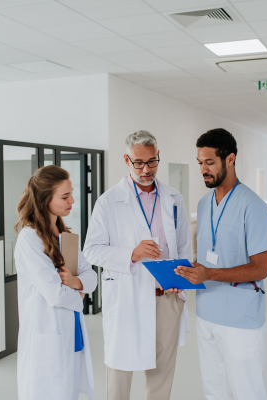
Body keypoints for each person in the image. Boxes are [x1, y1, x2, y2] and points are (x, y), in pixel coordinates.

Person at [83, 130, 192, 400]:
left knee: (162, 376)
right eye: (138, 163)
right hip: (127, 298)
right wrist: (130, 254)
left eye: (152, 162)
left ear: (158, 157)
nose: (146, 169)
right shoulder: (109, 201)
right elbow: (91, 251)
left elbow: (185, 248)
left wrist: (181, 289)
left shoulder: (173, 198)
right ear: (126, 159)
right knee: (119, 372)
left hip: (166, 299)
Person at [176, 128, 267, 400]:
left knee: (247, 392)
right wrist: (188, 272)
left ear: (230, 159)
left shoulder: (253, 206)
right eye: (200, 163)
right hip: (206, 314)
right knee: (214, 391)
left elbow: (261, 267)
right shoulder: (204, 202)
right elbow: (212, 254)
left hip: (240, 319)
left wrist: (209, 272)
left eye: (209, 162)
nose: (203, 170)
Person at [14, 165, 97, 400]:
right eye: (65, 196)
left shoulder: (65, 237)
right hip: (47, 335)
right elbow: (55, 295)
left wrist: (76, 282)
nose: (72, 200)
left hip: (71, 332)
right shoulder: (29, 239)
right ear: (44, 199)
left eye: (71, 193)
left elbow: (92, 277)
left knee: (68, 391)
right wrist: (80, 293)